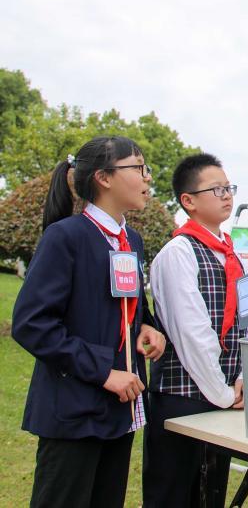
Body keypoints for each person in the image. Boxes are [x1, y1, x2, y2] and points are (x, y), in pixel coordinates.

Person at [12, 136, 166, 508]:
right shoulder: (65, 237)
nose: (148, 178)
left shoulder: (131, 239)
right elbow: (32, 323)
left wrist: (146, 325)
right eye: (139, 168)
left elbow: (126, 303)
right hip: (74, 410)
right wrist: (104, 373)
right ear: (104, 177)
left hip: (121, 408)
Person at [143, 153, 244, 508]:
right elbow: (191, 333)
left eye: (229, 187)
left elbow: (245, 323)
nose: (227, 195)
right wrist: (224, 393)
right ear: (188, 201)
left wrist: (241, 379)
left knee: (210, 494)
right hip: (183, 398)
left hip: (225, 395)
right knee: (173, 495)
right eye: (216, 189)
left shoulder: (230, 254)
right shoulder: (178, 253)